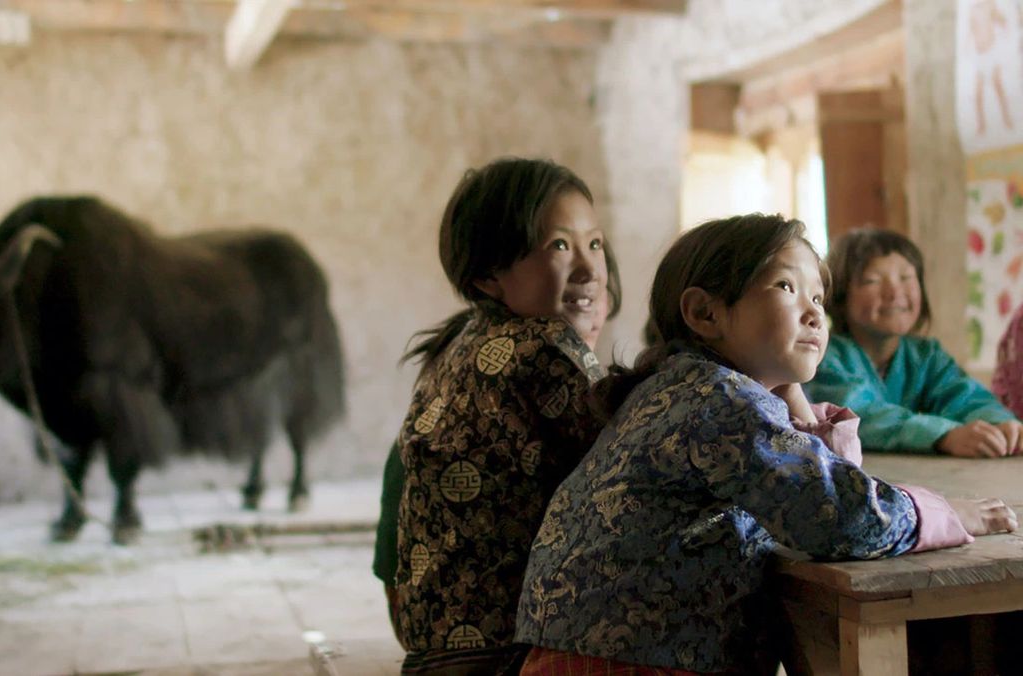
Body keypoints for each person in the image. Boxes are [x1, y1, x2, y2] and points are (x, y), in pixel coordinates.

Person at [514, 214, 1017, 675]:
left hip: (595, 653)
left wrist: (794, 400)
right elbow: (841, 516)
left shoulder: (683, 388)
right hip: (633, 663)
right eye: (786, 287)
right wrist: (948, 514)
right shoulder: (717, 400)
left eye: (818, 298)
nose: (814, 314)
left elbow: (825, 482)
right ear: (704, 313)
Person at [390, 157, 622, 674]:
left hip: (436, 647)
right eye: (560, 246)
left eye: (596, 243)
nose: (589, 269)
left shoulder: (455, 345)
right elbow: (630, 468)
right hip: (507, 652)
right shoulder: (543, 345)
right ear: (489, 276)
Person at [803, 228, 1023, 457]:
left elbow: (964, 396)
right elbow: (859, 416)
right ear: (839, 295)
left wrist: (1001, 424)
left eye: (906, 277)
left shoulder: (927, 356)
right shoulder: (823, 356)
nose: (894, 292)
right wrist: (944, 435)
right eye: (872, 280)